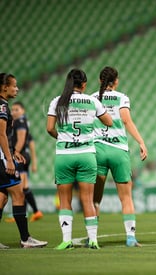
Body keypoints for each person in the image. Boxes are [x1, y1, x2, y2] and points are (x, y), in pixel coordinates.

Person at [47, 69, 112, 250]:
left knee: (65, 200)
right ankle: (93, 240)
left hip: (64, 155)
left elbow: (49, 128)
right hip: (86, 154)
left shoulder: (57, 101)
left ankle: (66, 240)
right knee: (88, 199)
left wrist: (63, 136)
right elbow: (109, 122)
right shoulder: (92, 101)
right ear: (84, 84)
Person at [91, 66, 147, 247]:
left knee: (94, 199)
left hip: (98, 149)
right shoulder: (122, 98)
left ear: (100, 81)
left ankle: (92, 238)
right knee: (126, 198)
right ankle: (130, 237)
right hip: (119, 151)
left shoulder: (91, 99)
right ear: (116, 81)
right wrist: (141, 142)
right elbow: (126, 120)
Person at [0, 73, 47, 248]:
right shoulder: (2, 107)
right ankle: (26, 239)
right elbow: (1, 134)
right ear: (4, 87)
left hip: (2, 156)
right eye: (14, 85)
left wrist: (11, 152)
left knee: (2, 198)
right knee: (19, 194)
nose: (17, 89)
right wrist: (9, 158)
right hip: (2, 159)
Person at [11, 102, 43, 222]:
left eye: (17, 109)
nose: (14, 112)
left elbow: (22, 140)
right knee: (23, 187)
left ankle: (22, 213)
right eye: (12, 110)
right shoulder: (20, 122)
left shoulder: (20, 122)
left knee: (20, 188)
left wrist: (15, 153)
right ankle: (29, 212)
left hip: (20, 156)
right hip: (24, 155)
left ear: (23, 110)